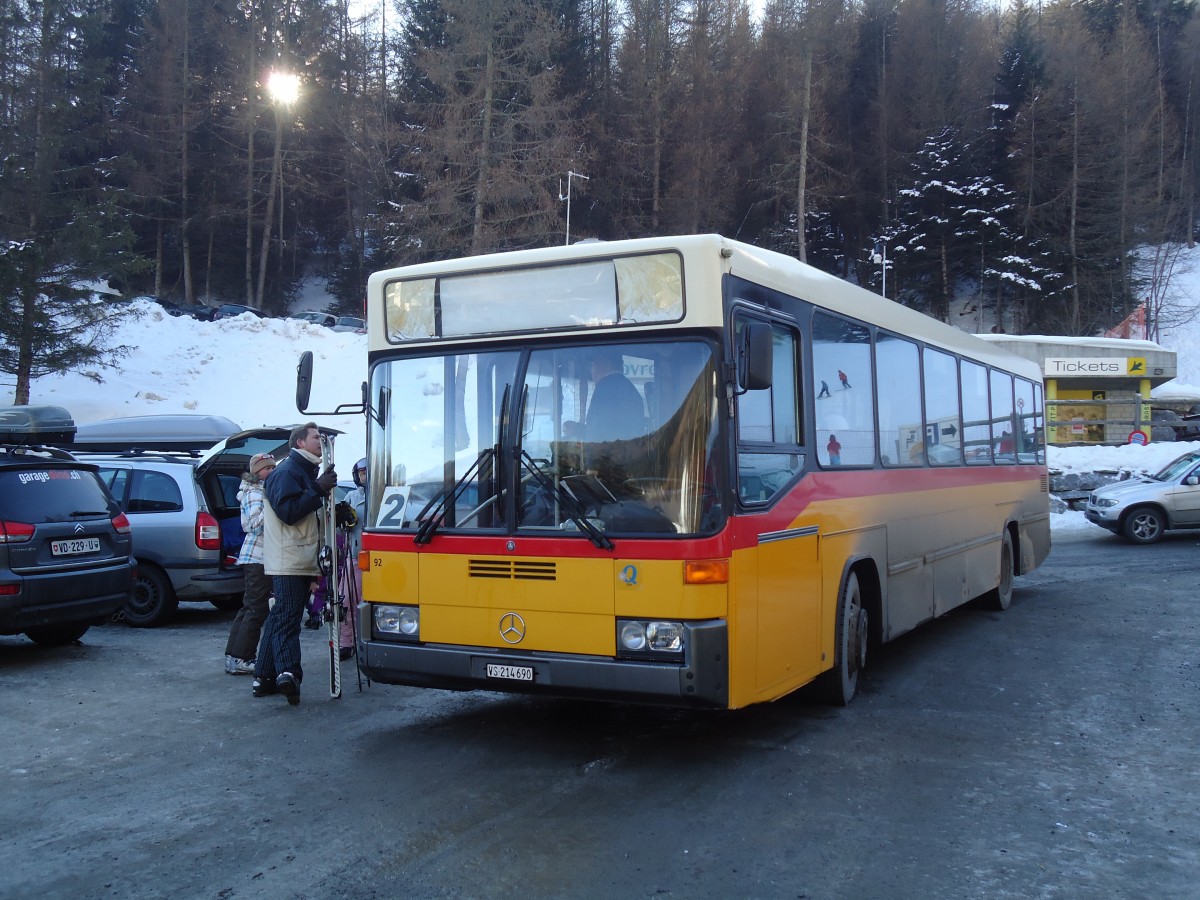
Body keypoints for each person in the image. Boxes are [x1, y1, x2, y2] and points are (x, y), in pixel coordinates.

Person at [253, 423, 337, 706]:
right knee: (288, 618)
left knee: (279, 617)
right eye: (315, 438)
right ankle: (288, 674)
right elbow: (288, 512)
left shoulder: (300, 471)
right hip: (287, 559)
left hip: (298, 558)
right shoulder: (287, 471)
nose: (321, 442)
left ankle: (263, 677)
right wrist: (317, 490)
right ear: (299, 443)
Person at [223, 452, 275, 675]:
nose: (271, 471)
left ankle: (233, 656)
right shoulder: (255, 493)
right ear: (256, 472)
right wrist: (273, 508)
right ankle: (244, 658)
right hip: (257, 557)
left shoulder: (258, 490)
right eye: (267, 468)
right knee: (256, 608)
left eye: (273, 468)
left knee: (249, 606)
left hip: (256, 556)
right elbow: (254, 525)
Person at [585, 350, 644, 441]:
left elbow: (599, 431)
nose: (591, 370)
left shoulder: (605, 388)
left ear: (601, 363)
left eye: (592, 364)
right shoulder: (628, 387)